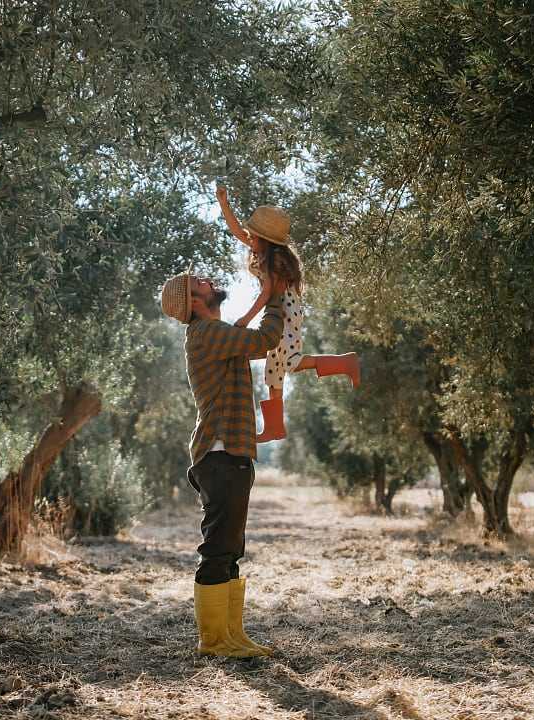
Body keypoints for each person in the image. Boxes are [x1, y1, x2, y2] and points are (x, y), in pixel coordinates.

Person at [160, 264, 281, 658]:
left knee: (230, 549)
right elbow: (265, 340)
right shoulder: (207, 333)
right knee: (218, 549)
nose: (210, 282)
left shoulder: (213, 333)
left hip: (230, 454)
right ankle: (213, 643)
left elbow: (244, 334)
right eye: (201, 283)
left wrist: (262, 299)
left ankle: (232, 637)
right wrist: (278, 297)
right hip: (221, 454)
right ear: (194, 303)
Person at [216, 184, 360, 442]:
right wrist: (224, 204)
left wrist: (245, 320)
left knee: (286, 362)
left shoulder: (273, 262)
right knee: (278, 367)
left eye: (254, 234)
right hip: (283, 312)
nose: (249, 237)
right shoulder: (264, 252)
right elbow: (237, 231)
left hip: (285, 313)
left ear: (265, 240)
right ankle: (275, 427)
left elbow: (266, 293)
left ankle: (345, 363)